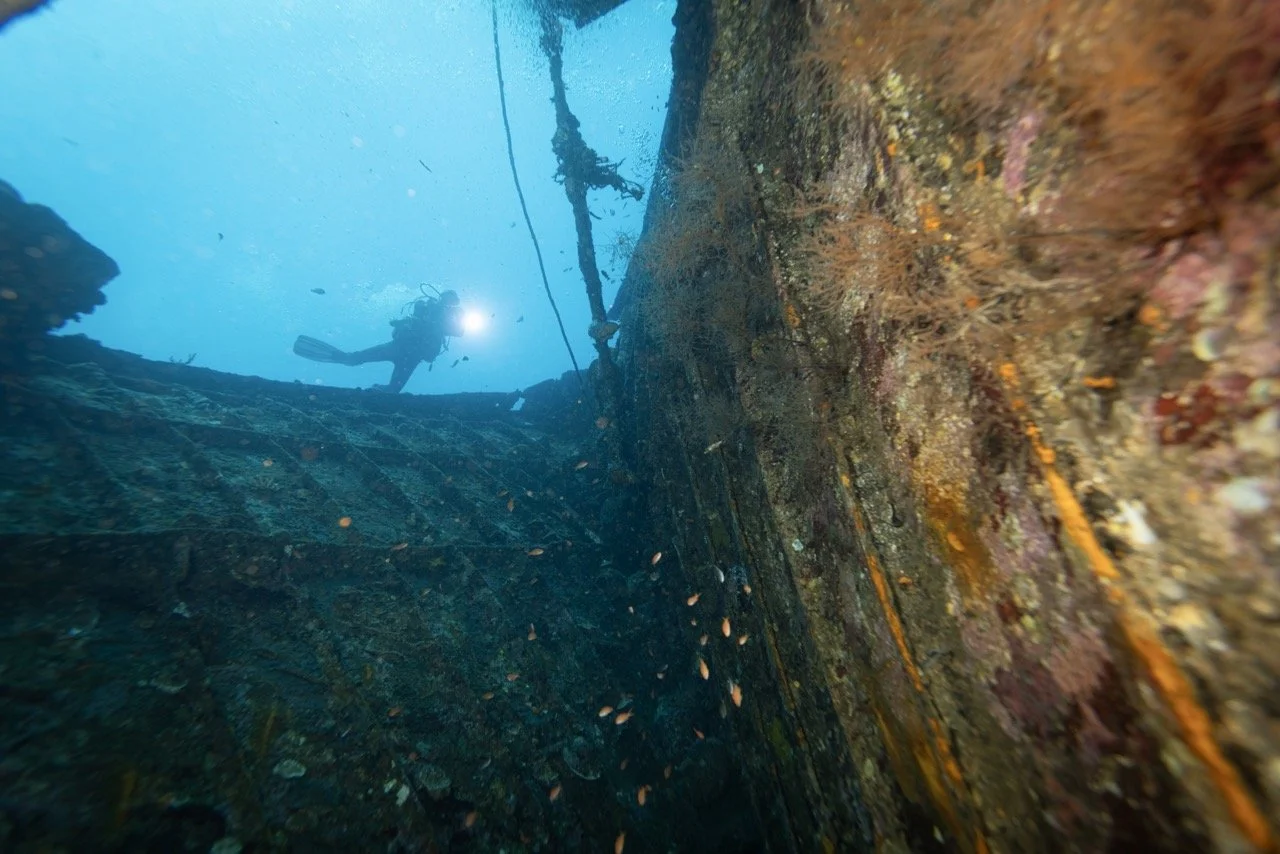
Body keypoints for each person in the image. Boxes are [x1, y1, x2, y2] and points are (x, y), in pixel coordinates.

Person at [293, 289, 465, 393]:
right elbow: (411, 321)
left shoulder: (452, 316)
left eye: (452, 301)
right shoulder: (425, 306)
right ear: (441, 297)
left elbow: (459, 331)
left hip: (413, 354)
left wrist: (456, 317)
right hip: (400, 347)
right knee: (354, 359)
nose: (448, 303)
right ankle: (336, 355)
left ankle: (375, 387)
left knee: (393, 389)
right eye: (447, 299)